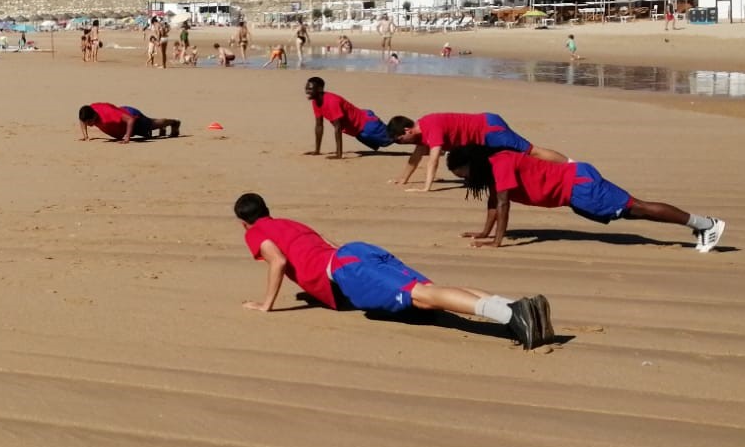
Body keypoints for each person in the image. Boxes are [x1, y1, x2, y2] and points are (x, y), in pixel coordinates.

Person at [233, 193, 554, 348]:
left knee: (423, 296)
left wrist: (265, 305)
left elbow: (278, 261)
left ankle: (511, 316)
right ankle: (513, 306)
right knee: (427, 293)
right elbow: (326, 242)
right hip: (358, 252)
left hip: (346, 267)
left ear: (245, 221)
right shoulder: (288, 222)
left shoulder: (255, 232)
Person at [446, 148, 726, 252]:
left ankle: (706, 224)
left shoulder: (500, 165)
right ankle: (702, 225)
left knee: (637, 208)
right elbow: (494, 202)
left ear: (474, 164)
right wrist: (484, 232)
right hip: (576, 189)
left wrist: (497, 241)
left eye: (464, 174)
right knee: (634, 211)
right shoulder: (495, 167)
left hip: (580, 187)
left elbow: (504, 204)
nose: (465, 180)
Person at [383, 112, 567, 193]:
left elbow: (433, 160)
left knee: (530, 151)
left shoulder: (432, 127)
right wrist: (403, 178)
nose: (400, 143)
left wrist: (426, 188)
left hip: (490, 129)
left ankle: (570, 166)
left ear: (407, 131)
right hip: (483, 135)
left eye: (399, 140)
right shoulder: (422, 131)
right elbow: (415, 157)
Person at [303, 76, 391, 158]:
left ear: (319, 89)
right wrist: (317, 151)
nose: (307, 91)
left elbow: (338, 127)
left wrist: (339, 154)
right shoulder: (315, 102)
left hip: (368, 124)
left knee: (396, 137)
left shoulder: (332, 101)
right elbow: (319, 126)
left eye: (310, 89)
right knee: (385, 144)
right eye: (306, 88)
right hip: (359, 132)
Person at [77, 102, 181, 142]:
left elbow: (130, 119)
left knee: (152, 124)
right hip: (122, 116)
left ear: (94, 116)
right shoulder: (89, 111)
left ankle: (173, 123)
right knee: (152, 126)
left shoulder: (107, 114)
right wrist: (85, 136)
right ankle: (162, 128)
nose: (89, 125)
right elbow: (82, 120)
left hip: (132, 116)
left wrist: (127, 137)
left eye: (89, 123)